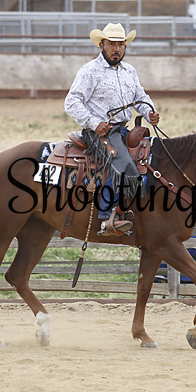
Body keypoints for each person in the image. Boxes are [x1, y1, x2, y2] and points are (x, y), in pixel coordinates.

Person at [65, 23, 160, 236]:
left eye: (121, 45)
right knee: (122, 163)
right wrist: (93, 123)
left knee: (152, 158)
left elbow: (140, 97)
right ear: (101, 45)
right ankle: (107, 217)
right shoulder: (90, 70)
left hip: (123, 130)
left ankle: (138, 211)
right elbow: (72, 101)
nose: (117, 49)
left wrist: (149, 112)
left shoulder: (129, 71)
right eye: (112, 44)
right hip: (98, 132)